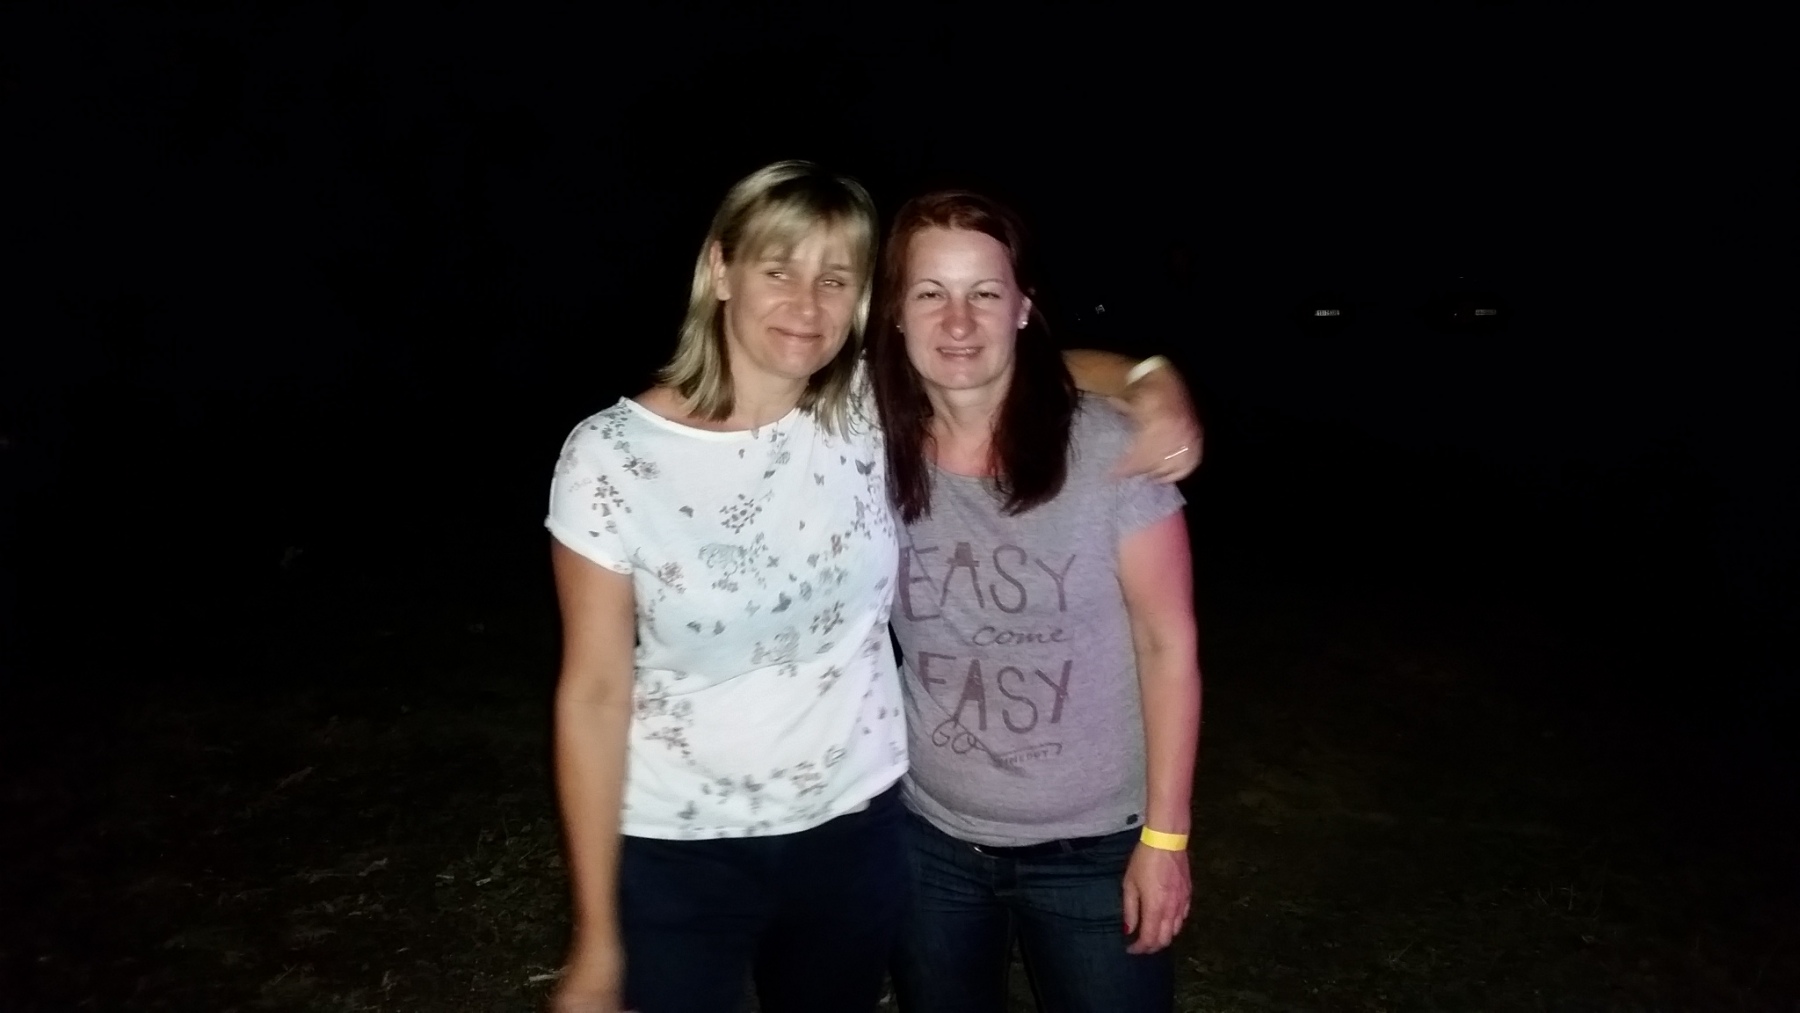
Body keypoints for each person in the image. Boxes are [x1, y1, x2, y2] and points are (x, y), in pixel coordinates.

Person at [544, 162, 1198, 1013]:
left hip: (858, 830)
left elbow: (1007, 365)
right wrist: (596, 937)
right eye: (778, 269)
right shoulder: (619, 457)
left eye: (835, 277)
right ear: (719, 270)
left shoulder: (858, 410)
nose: (806, 303)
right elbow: (593, 694)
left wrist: (1149, 376)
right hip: (696, 842)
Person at [870, 191, 1203, 1013]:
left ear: (1023, 307)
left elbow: (1168, 645)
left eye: (985, 292)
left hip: (1096, 849)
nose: (958, 321)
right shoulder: (866, 448)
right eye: (930, 292)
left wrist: (1166, 837)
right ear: (896, 313)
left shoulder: (1109, 449)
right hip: (929, 841)